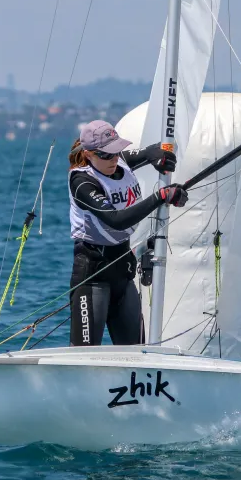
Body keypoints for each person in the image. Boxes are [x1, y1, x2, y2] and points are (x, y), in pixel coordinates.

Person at [68, 120, 188, 347]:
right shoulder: (82, 182)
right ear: (89, 154)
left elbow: (151, 151)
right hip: (93, 274)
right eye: (106, 155)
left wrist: (160, 154)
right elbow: (117, 221)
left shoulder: (118, 160)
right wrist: (161, 196)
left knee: (136, 350)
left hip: (123, 272)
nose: (114, 159)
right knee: (84, 353)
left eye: (116, 151)